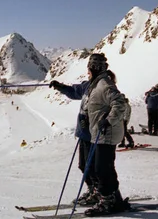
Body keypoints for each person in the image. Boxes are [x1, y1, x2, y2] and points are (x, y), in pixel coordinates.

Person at [82, 53, 130, 217]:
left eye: (89, 68)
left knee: (102, 169)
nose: (87, 71)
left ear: (94, 68)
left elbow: (120, 103)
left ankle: (108, 201)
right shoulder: (96, 84)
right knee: (104, 168)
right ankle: (113, 199)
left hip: (106, 133)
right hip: (100, 132)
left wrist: (108, 121)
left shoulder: (104, 84)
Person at [49, 76, 97, 205]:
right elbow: (75, 91)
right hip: (84, 132)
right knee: (83, 165)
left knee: (91, 166)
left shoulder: (101, 86)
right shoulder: (88, 85)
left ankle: (98, 192)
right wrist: (60, 87)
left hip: (94, 134)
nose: (88, 72)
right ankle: (93, 189)